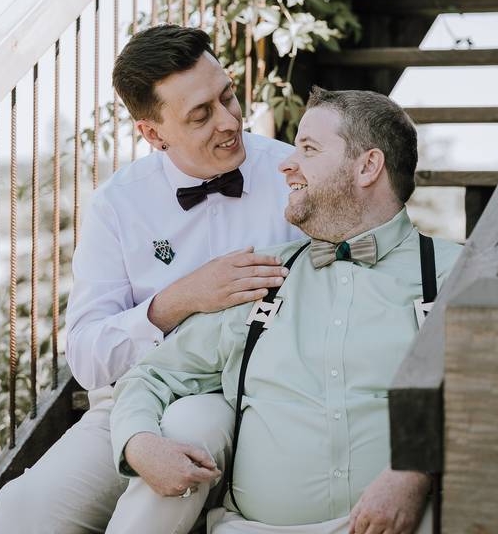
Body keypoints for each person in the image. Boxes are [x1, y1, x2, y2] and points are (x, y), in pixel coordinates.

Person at [0, 25, 304, 533]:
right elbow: (89, 357)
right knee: (24, 509)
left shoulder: (293, 173)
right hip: (128, 403)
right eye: (201, 114)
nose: (229, 121)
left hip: (249, 397)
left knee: (184, 443)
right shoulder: (118, 204)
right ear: (154, 134)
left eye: (228, 96)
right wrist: (176, 301)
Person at [110, 87, 463, 534]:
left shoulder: (455, 278)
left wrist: (412, 471)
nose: (285, 164)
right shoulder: (260, 278)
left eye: (309, 149)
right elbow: (151, 376)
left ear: (368, 166)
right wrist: (139, 444)